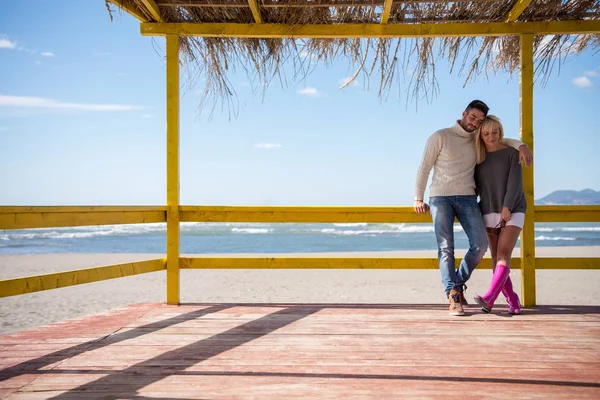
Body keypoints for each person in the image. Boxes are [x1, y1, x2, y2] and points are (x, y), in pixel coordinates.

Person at [414, 100, 532, 316]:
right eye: (473, 117)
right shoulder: (440, 136)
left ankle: (456, 284)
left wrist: (521, 144)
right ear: (464, 113)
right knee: (446, 248)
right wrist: (418, 198)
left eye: (479, 120)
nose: (475, 123)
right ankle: (453, 294)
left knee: (479, 246)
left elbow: (499, 140)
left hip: (469, 198)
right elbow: (424, 167)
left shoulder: (477, 140)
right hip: (441, 197)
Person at [473, 115, 526, 314]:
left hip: (513, 209)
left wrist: (507, 208)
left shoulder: (512, 153)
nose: (491, 136)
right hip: (487, 210)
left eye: (495, 132)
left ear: (500, 132)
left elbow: (515, 183)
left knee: (504, 255)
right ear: (481, 134)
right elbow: (476, 187)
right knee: (496, 260)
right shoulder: (478, 158)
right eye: (486, 133)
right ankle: (513, 300)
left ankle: (489, 298)